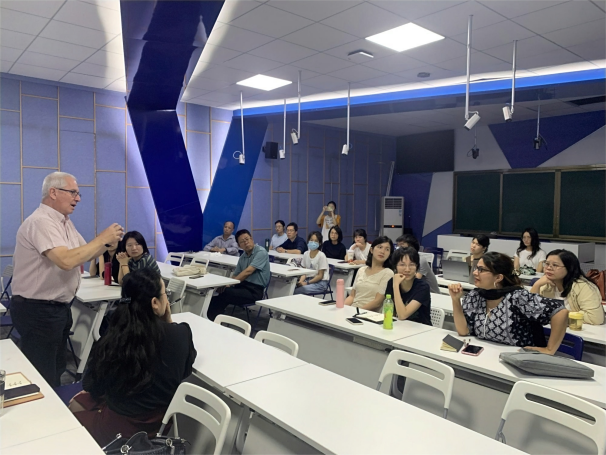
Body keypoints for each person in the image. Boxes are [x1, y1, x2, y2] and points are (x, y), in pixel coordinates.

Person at [11, 172, 123, 386]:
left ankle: (53, 401)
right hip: (37, 310)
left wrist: (106, 245)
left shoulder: (64, 222)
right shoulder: (41, 222)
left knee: (56, 368)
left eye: (78, 194)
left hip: (57, 308)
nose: (78, 198)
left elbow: (84, 253)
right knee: (42, 373)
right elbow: (65, 260)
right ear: (53, 192)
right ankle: (44, 406)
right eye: (73, 192)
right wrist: (101, 238)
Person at [70, 269, 196, 446]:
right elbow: (185, 369)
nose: (167, 299)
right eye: (165, 294)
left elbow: (91, 385)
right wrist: (169, 321)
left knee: (75, 404)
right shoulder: (181, 334)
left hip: (115, 430)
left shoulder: (117, 336)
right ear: (155, 303)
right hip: (157, 427)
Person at [449, 252, 568, 352]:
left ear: (498, 278)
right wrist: (455, 300)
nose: (475, 272)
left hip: (517, 360)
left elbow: (560, 312)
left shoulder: (518, 297)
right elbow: (463, 331)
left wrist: (549, 349)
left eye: (481, 270)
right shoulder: (475, 296)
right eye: (476, 268)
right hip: (488, 356)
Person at [207, 229, 271, 321]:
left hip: (254, 291)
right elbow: (235, 275)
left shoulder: (261, 252)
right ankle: (211, 318)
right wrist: (226, 284)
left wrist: (230, 284)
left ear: (251, 239)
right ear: (239, 245)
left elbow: (248, 272)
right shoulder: (243, 257)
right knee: (219, 292)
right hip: (243, 286)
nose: (246, 243)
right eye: (242, 242)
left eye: (247, 239)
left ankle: (213, 319)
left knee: (225, 293)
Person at [531, 249, 604, 325]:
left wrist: (558, 315)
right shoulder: (545, 284)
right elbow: (531, 311)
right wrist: (537, 285)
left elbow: (595, 318)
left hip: (578, 329)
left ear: (569, 268)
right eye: (547, 264)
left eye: (555, 265)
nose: (549, 268)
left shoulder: (583, 287)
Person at [345, 236, 394, 311]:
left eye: (387, 249)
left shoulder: (388, 273)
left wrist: (358, 312)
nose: (382, 251)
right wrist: (342, 308)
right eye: (380, 247)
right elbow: (352, 296)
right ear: (371, 250)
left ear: (390, 254)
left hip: (368, 313)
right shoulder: (361, 270)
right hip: (353, 309)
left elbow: (377, 302)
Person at [385, 247, 432, 325]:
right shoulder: (391, 282)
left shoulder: (423, 287)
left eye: (411, 265)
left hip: (420, 329)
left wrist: (396, 286)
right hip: (400, 327)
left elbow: (402, 315)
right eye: (402, 265)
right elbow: (391, 313)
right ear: (395, 267)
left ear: (417, 267)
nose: (407, 269)